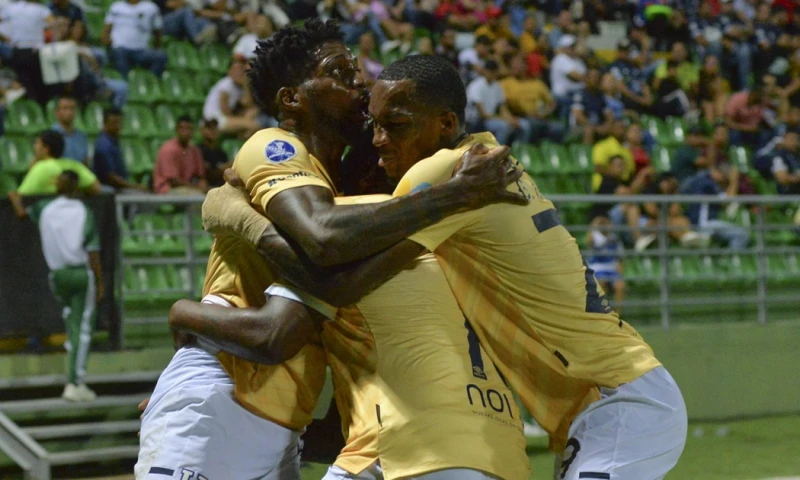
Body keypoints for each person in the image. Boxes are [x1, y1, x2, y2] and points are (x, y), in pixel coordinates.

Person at [206, 54, 687, 480]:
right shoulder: (482, 160)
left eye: (395, 125)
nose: (377, 141)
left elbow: (337, 264)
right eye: (372, 124)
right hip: (603, 397)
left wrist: (239, 211)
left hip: (615, 398)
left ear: (444, 124)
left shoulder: (444, 173)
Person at [136, 20, 522, 480]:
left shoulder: (341, 193)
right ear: (291, 99)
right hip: (221, 395)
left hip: (281, 428)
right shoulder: (274, 145)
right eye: (340, 72)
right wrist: (456, 195)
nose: (360, 80)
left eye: (357, 68)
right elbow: (319, 245)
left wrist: (187, 305)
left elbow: (327, 283)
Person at [23, 170, 103, 402]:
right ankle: (75, 382)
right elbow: (93, 251)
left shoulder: (44, 208)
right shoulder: (82, 211)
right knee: (83, 328)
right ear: (76, 188)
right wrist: (99, 283)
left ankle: (73, 376)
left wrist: (16, 197)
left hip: (56, 276)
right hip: (80, 275)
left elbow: (21, 213)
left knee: (71, 324)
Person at [8, 130, 101, 216]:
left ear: (46, 149)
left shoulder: (41, 168)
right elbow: (96, 188)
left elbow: (22, 196)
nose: (34, 146)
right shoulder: (74, 165)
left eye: (37, 143)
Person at [0, 0, 57, 105]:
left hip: (19, 51)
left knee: (26, 86)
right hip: (37, 53)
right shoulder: (41, 10)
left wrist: (5, 38)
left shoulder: (13, 8)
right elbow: (53, 24)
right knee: (40, 86)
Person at [680, 165, 750, 250]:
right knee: (741, 235)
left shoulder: (698, 180)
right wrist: (734, 181)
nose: (724, 179)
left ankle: (726, 258)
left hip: (696, 223)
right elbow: (727, 201)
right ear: (715, 171)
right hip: (705, 224)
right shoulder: (707, 183)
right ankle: (733, 259)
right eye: (724, 175)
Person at [500, 54, 564, 144]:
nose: (516, 67)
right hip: (521, 116)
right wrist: (512, 117)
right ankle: (527, 151)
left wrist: (544, 113)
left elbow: (552, 103)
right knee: (532, 124)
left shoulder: (537, 83)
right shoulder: (505, 83)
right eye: (514, 65)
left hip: (541, 117)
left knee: (559, 128)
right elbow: (504, 104)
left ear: (525, 66)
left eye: (519, 64)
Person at [102, 0, 168, 79]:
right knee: (119, 53)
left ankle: (150, 81)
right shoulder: (116, 7)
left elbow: (157, 31)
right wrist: (108, 43)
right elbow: (106, 30)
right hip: (120, 48)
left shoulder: (151, 7)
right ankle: (125, 84)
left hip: (142, 50)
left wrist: (156, 46)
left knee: (161, 56)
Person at [465, 59, 525, 145]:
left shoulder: (497, 86)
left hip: (491, 119)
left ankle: (517, 150)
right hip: (476, 121)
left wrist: (511, 119)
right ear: (485, 71)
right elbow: (483, 114)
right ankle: (497, 153)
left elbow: (503, 108)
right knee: (503, 126)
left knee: (523, 125)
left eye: (494, 71)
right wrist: (505, 119)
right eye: (490, 71)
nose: (491, 73)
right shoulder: (476, 85)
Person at [202, 58, 260, 137]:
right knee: (254, 126)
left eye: (240, 69)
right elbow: (225, 111)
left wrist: (246, 84)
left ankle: (240, 140)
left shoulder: (239, 87)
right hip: (214, 119)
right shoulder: (226, 84)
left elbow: (247, 104)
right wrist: (240, 121)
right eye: (235, 70)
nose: (238, 72)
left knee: (253, 111)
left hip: (227, 118)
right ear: (229, 72)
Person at [93, 108, 147, 192]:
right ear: (105, 124)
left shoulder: (113, 141)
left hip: (119, 188)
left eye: (120, 123)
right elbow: (110, 177)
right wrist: (133, 186)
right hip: (109, 190)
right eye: (114, 123)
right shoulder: (103, 145)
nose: (118, 126)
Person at [153, 115, 207, 195]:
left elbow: (200, 176)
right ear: (177, 130)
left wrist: (203, 185)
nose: (186, 132)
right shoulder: (168, 149)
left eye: (189, 128)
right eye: (182, 128)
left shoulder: (194, 149)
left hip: (188, 188)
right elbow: (174, 181)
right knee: (197, 198)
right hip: (167, 190)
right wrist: (196, 188)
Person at [585, 216, 625, 315]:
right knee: (601, 284)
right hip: (597, 268)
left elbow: (619, 258)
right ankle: (604, 313)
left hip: (611, 268)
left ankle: (617, 315)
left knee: (620, 286)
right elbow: (588, 241)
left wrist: (620, 270)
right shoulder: (594, 236)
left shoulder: (614, 238)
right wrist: (594, 224)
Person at [51, 96, 89, 164]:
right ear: (56, 112)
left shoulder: (81, 136)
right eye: (65, 108)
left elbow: (85, 161)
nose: (69, 112)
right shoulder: (50, 136)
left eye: (72, 108)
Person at [197, 118, 229, 188]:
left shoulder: (221, 153)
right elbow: (207, 174)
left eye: (215, 128)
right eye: (209, 128)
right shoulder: (198, 150)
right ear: (202, 131)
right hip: (202, 188)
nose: (213, 131)